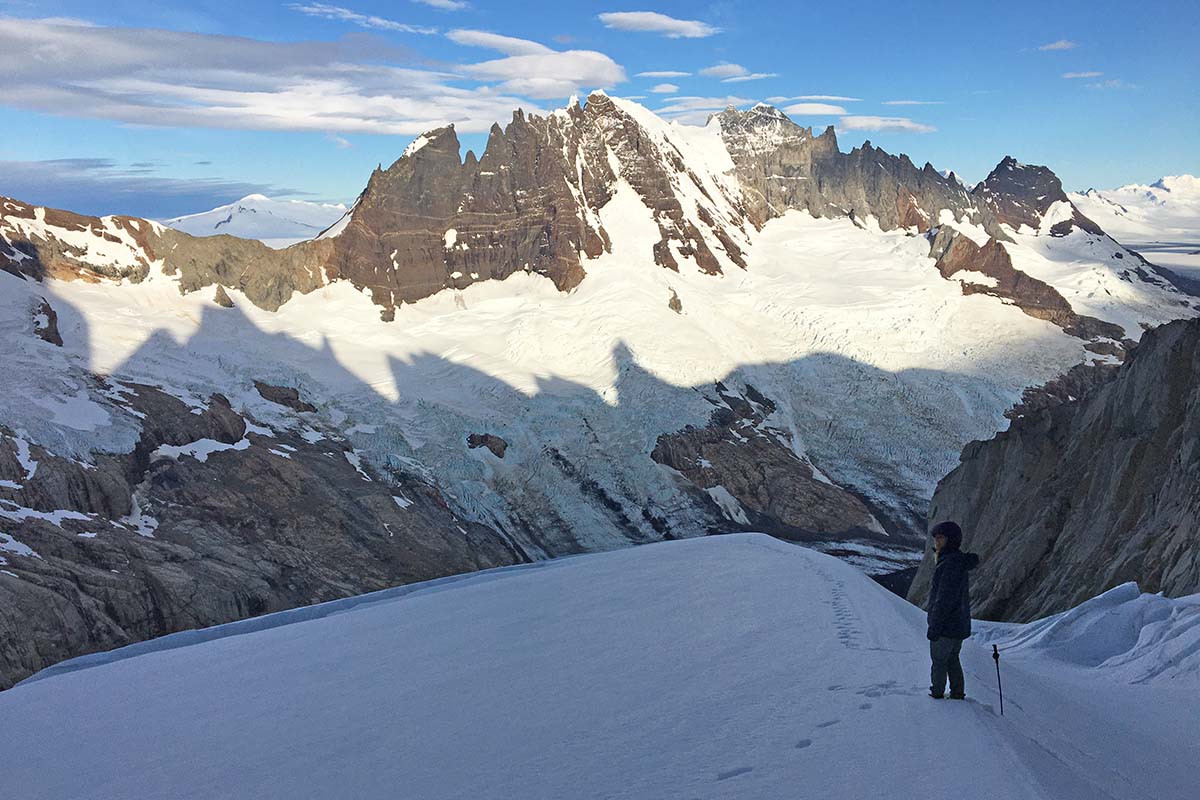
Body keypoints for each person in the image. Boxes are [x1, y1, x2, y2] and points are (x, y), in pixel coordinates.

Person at [925, 520, 980, 699]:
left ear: (951, 540)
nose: (937, 542)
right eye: (936, 538)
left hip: (946, 625)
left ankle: (937, 695)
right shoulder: (956, 561)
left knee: (939, 661)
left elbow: (944, 599)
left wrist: (935, 625)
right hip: (958, 624)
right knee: (952, 659)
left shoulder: (949, 563)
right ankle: (957, 693)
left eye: (941, 538)